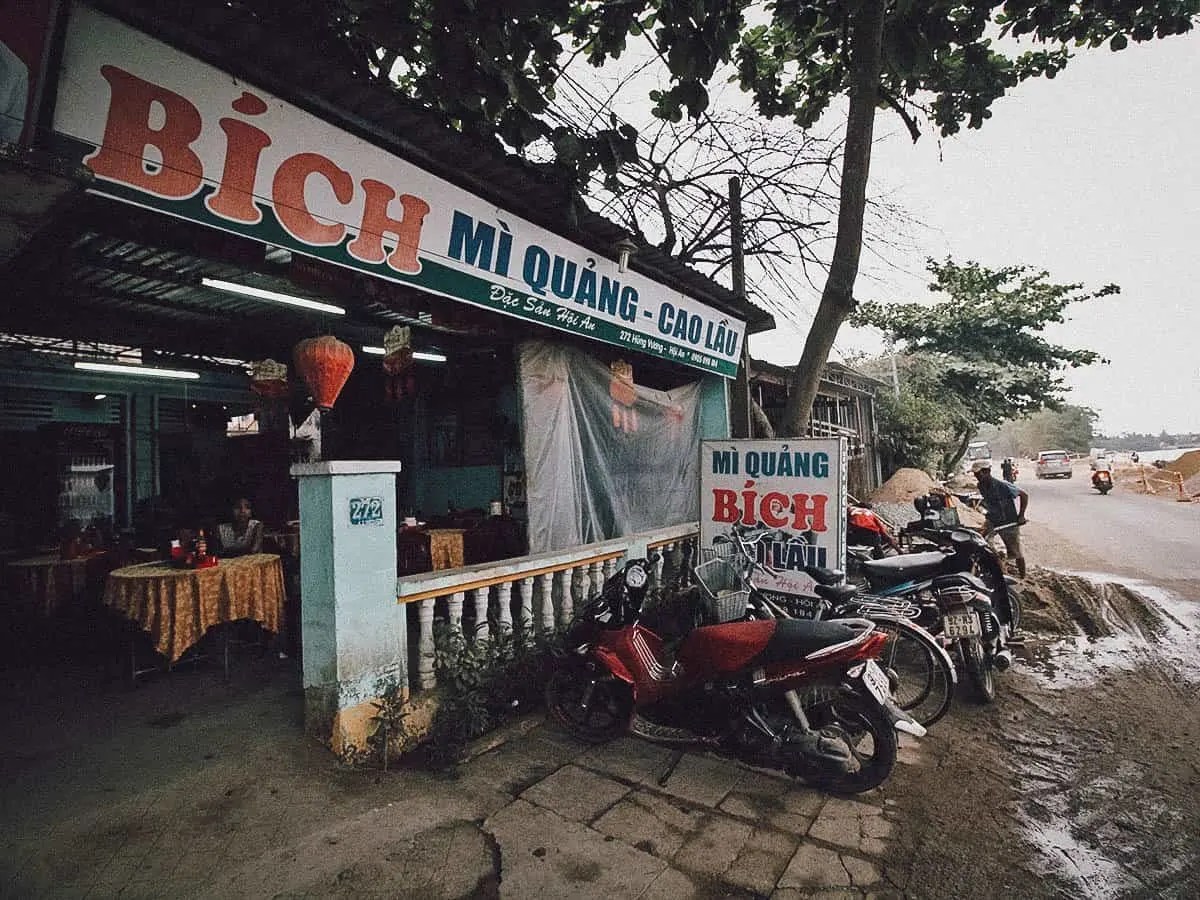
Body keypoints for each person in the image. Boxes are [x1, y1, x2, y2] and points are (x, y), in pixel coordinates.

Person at [971, 459, 1028, 578]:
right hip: (993, 519)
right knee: (982, 540)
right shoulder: (981, 485)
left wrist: (1021, 515)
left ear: (986, 472)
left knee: (1015, 551)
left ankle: (1023, 577)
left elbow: (1024, 495)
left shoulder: (1003, 485)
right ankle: (997, 563)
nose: (976, 476)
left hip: (1008, 520)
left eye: (978, 474)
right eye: (975, 474)